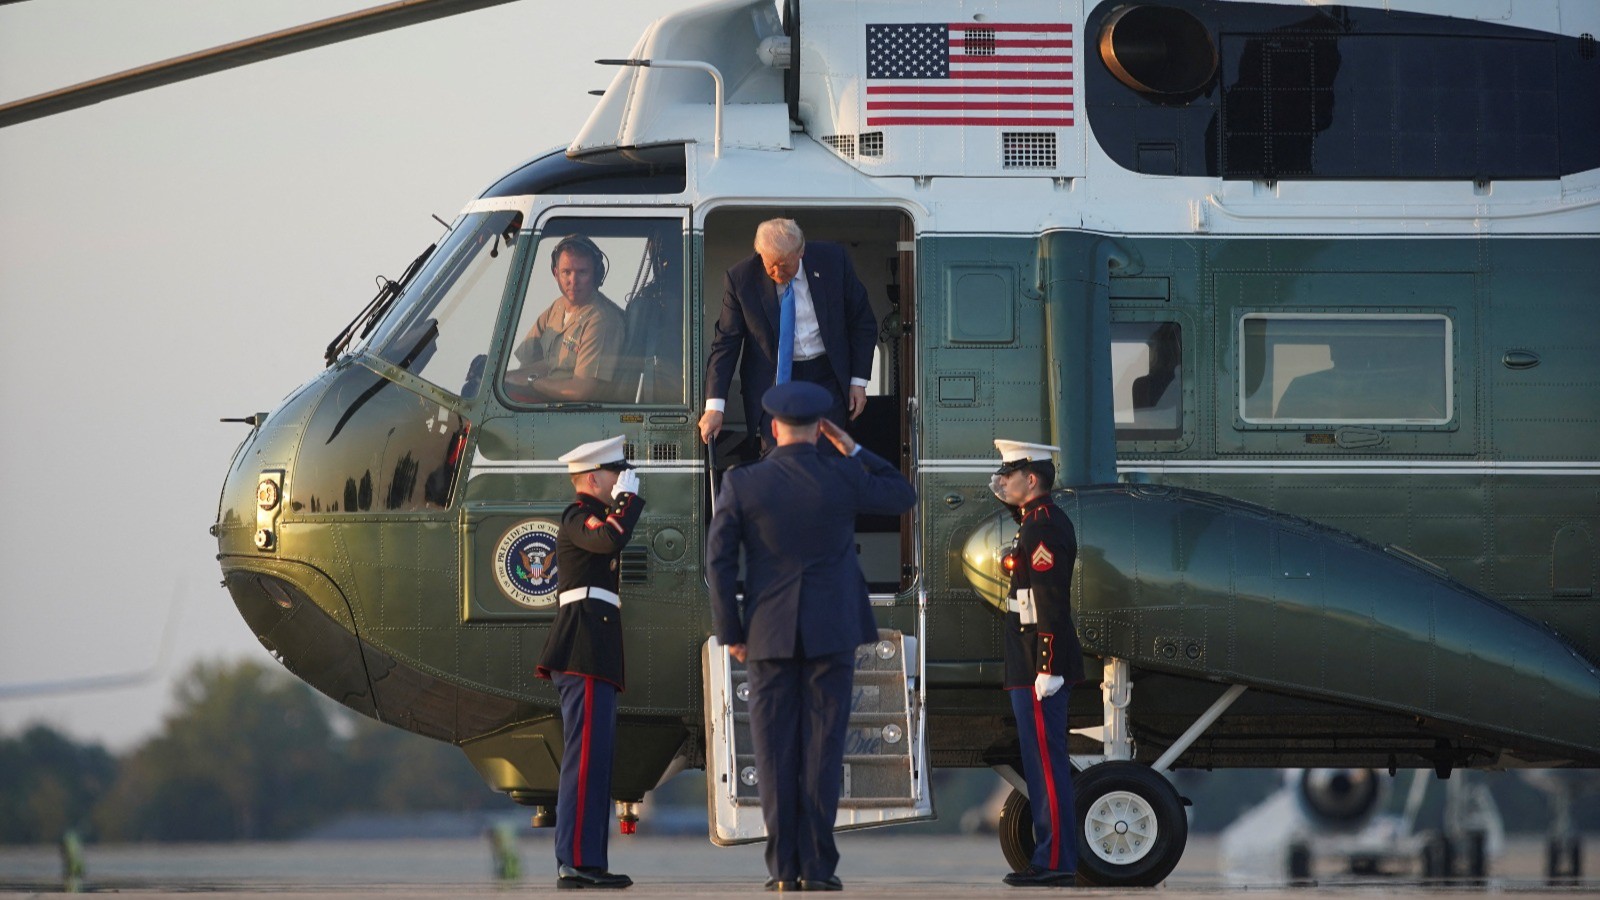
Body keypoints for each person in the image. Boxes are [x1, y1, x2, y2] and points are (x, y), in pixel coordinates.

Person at [706, 381, 917, 891]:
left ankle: (784, 869)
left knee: (774, 753)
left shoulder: (743, 483)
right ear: (822, 430)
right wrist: (856, 449)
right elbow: (902, 493)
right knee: (823, 750)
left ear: (774, 427)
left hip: (768, 633)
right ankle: (818, 868)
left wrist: (731, 631)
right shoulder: (843, 473)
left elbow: (719, 561)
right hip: (832, 631)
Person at [535, 434, 644, 890]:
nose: (621, 480)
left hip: (594, 650)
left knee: (596, 761)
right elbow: (609, 541)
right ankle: (576, 861)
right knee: (583, 761)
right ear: (595, 478)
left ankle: (589, 861)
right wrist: (628, 503)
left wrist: (622, 505)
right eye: (615, 473)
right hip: (582, 648)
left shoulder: (596, 515)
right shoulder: (578, 516)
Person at [988, 439, 1085, 888]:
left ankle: (1056, 860)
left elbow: (1049, 600)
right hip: (1028, 659)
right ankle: (1049, 856)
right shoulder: (1032, 521)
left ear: (1031, 479)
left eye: (1009, 474)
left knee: (1047, 763)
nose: (1002, 481)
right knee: (1039, 761)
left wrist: (1048, 665)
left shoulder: (1042, 526)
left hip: (1038, 663)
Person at [698, 218, 879, 454]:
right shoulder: (741, 279)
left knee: (825, 456)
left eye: (784, 265)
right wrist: (714, 407)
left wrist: (858, 382)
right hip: (774, 381)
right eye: (770, 264)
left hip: (826, 375)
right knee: (778, 457)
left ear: (801, 252)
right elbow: (726, 343)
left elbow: (862, 322)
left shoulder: (833, 261)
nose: (777, 272)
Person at [510, 234, 625, 401]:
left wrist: (532, 382)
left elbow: (581, 391)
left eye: (582, 272)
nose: (573, 280)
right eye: (566, 272)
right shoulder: (557, 309)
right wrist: (506, 377)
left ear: (596, 274)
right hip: (544, 403)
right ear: (556, 274)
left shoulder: (601, 319)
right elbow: (532, 363)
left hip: (571, 412)